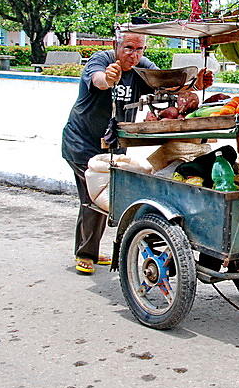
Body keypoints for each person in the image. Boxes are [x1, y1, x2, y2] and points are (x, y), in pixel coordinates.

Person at [61, 31, 213, 274]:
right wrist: (109, 79)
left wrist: (194, 85)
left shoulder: (142, 67)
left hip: (112, 143)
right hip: (81, 142)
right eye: (129, 48)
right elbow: (99, 80)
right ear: (116, 45)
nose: (134, 55)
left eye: (139, 49)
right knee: (92, 197)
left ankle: (94, 247)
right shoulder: (100, 60)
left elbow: (164, 83)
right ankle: (85, 253)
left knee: (110, 194)